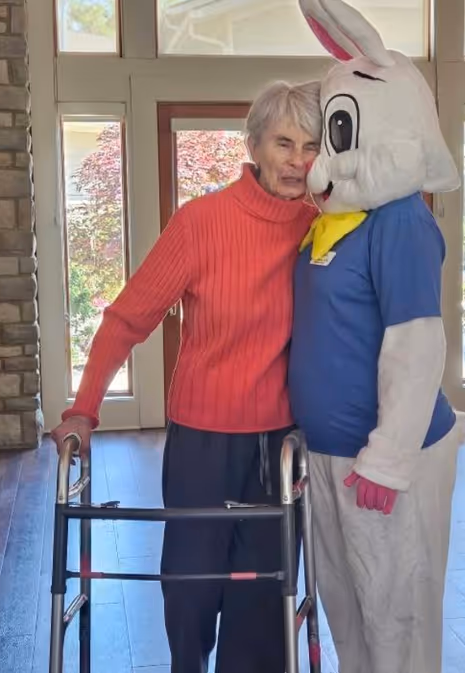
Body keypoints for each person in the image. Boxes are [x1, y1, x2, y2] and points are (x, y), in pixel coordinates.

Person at [49, 80, 322, 673]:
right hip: (203, 439)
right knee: (192, 592)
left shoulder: (319, 227)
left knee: (262, 604)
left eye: (310, 146)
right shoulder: (201, 222)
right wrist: (83, 410)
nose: (298, 161)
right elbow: (127, 319)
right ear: (254, 145)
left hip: (279, 442)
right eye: (284, 143)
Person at [288, 1, 465, 672]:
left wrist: (387, 458)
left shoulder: (400, 222)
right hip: (328, 455)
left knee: (397, 619)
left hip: (380, 461)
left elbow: (417, 344)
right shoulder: (332, 224)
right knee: (350, 611)